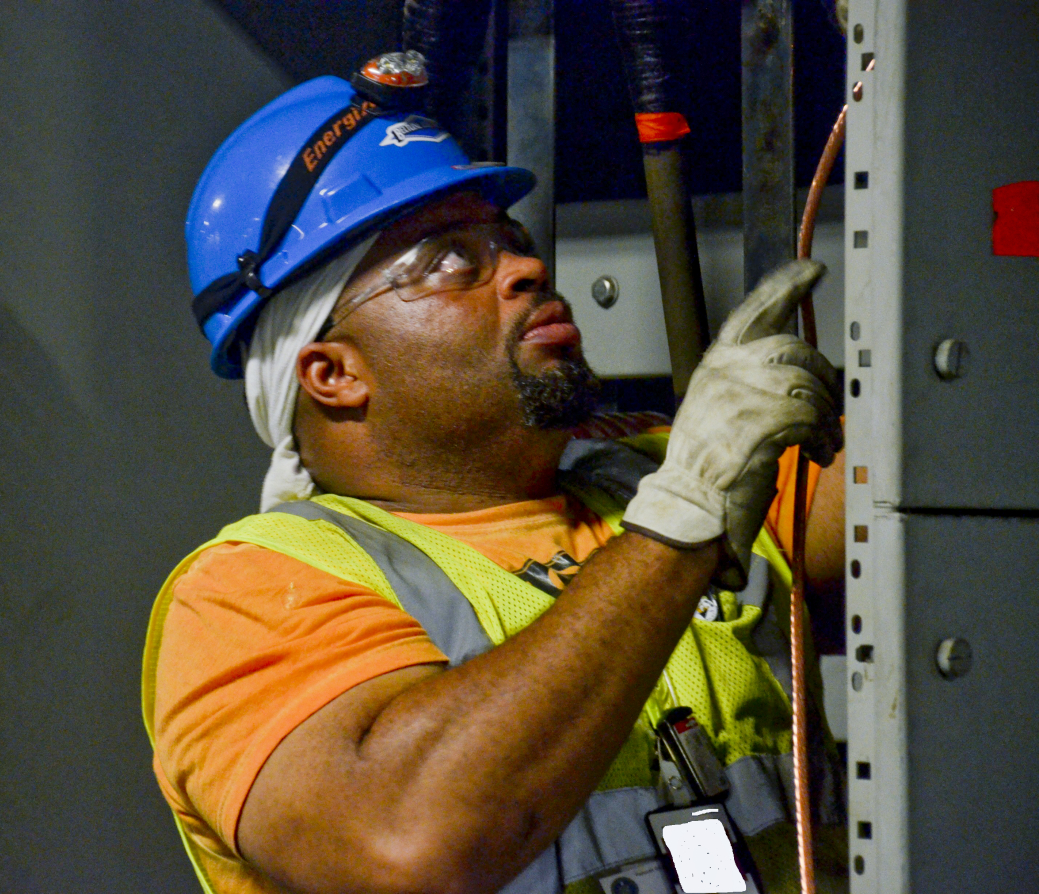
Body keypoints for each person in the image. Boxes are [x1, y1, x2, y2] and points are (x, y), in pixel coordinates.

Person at [144, 53, 848, 894]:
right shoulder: (255, 594)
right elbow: (406, 844)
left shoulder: (662, 466)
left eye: (509, 243)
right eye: (448, 261)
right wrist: (681, 523)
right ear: (332, 371)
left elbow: (937, 480)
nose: (528, 269)